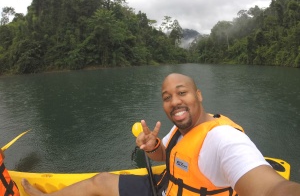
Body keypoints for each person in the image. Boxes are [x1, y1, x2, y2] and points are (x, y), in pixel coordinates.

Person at [21, 73, 300, 196]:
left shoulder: (224, 138)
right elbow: (164, 155)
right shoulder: (182, 129)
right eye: (167, 97)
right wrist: (153, 145)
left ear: (198, 95)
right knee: (100, 181)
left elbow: (272, 188)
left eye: (182, 92)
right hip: (166, 187)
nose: (174, 101)